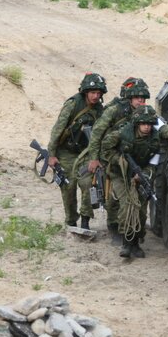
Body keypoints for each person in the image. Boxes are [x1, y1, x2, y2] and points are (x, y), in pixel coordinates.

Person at [84, 77, 151, 243]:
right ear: (129, 98)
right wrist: (94, 158)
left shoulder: (146, 112)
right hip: (111, 156)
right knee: (112, 195)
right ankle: (114, 227)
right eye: (137, 98)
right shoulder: (114, 110)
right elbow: (97, 134)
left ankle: (135, 230)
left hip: (134, 158)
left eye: (143, 98)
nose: (141, 101)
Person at [47, 73, 107, 229]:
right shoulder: (73, 104)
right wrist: (51, 155)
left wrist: (96, 157)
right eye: (92, 92)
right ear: (85, 92)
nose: (95, 96)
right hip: (66, 151)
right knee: (68, 186)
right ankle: (71, 220)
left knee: (88, 184)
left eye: (98, 93)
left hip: (85, 152)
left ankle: (85, 220)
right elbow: (57, 129)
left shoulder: (100, 110)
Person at [100, 105, 160, 258]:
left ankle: (136, 243)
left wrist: (144, 175)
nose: (147, 127)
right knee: (127, 207)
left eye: (149, 124)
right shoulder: (121, 134)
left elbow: (154, 163)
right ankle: (127, 243)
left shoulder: (156, 139)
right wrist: (120, 161)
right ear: (137, 124)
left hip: (141, 175)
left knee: (140, 211)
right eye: (143, 124)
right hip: (120, 175)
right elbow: (105, 149)